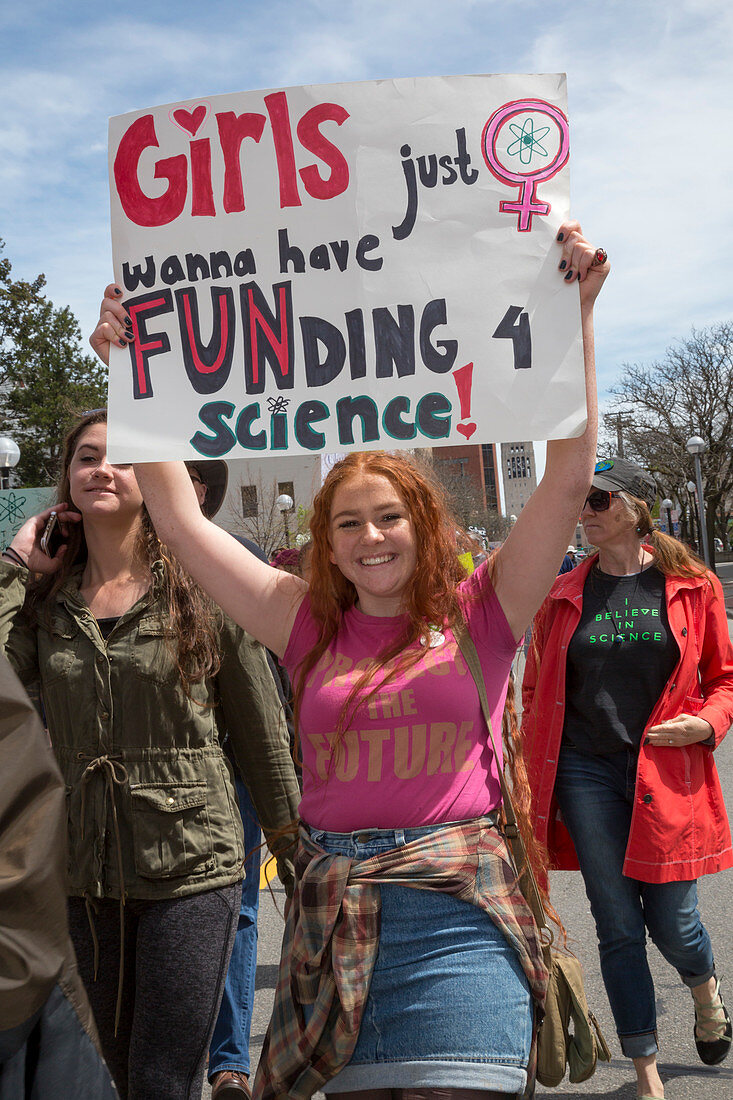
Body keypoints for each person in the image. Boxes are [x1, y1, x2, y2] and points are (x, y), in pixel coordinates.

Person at [92, 220, 608, 1099]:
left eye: (388, 517)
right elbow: (178, 519)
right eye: (347, 522)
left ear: (423, 526)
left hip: (459, 911)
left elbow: (564, 480)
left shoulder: (486, 607)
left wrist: (577, 320)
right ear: (323, 542)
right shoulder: (299, 621)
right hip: (333, 915)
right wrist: (130, 370)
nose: (370, 537)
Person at [0, 410, 300, 1100]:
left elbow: (260, 734)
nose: (101, 469)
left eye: (123, 458)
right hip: (78, 870)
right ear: (66, 479)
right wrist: (19, 566)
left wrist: (298, 854)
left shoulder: (203, 588)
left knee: (162, 1080)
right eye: (85, 457)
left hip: (191, 868)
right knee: (97, 1076)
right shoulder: (45, 601)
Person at [521, 456, 733, 1100]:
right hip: (586, 770)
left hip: (665, 771)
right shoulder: (560, 593)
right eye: (579, 501)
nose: (585, 511)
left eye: (598, 499)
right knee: (617, 924)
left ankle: (703, 988)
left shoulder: (693, 586)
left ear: (635, 509)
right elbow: (535, 688)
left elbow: (724, 680)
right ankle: (646, 1072)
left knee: (675, 923)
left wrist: (707, 724)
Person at [187, 458, 293, 1100]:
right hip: (143, 780)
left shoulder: (241, 557)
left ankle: (229, 1061)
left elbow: (273, 674)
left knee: (241, 909)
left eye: (192, 478)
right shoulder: (96, 563)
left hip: (238, 770)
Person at [0, 652, 117, 1098]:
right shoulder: (46, 611)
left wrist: (286, 844)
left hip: (188, 866)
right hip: (85, 869)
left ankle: (230, 1064)